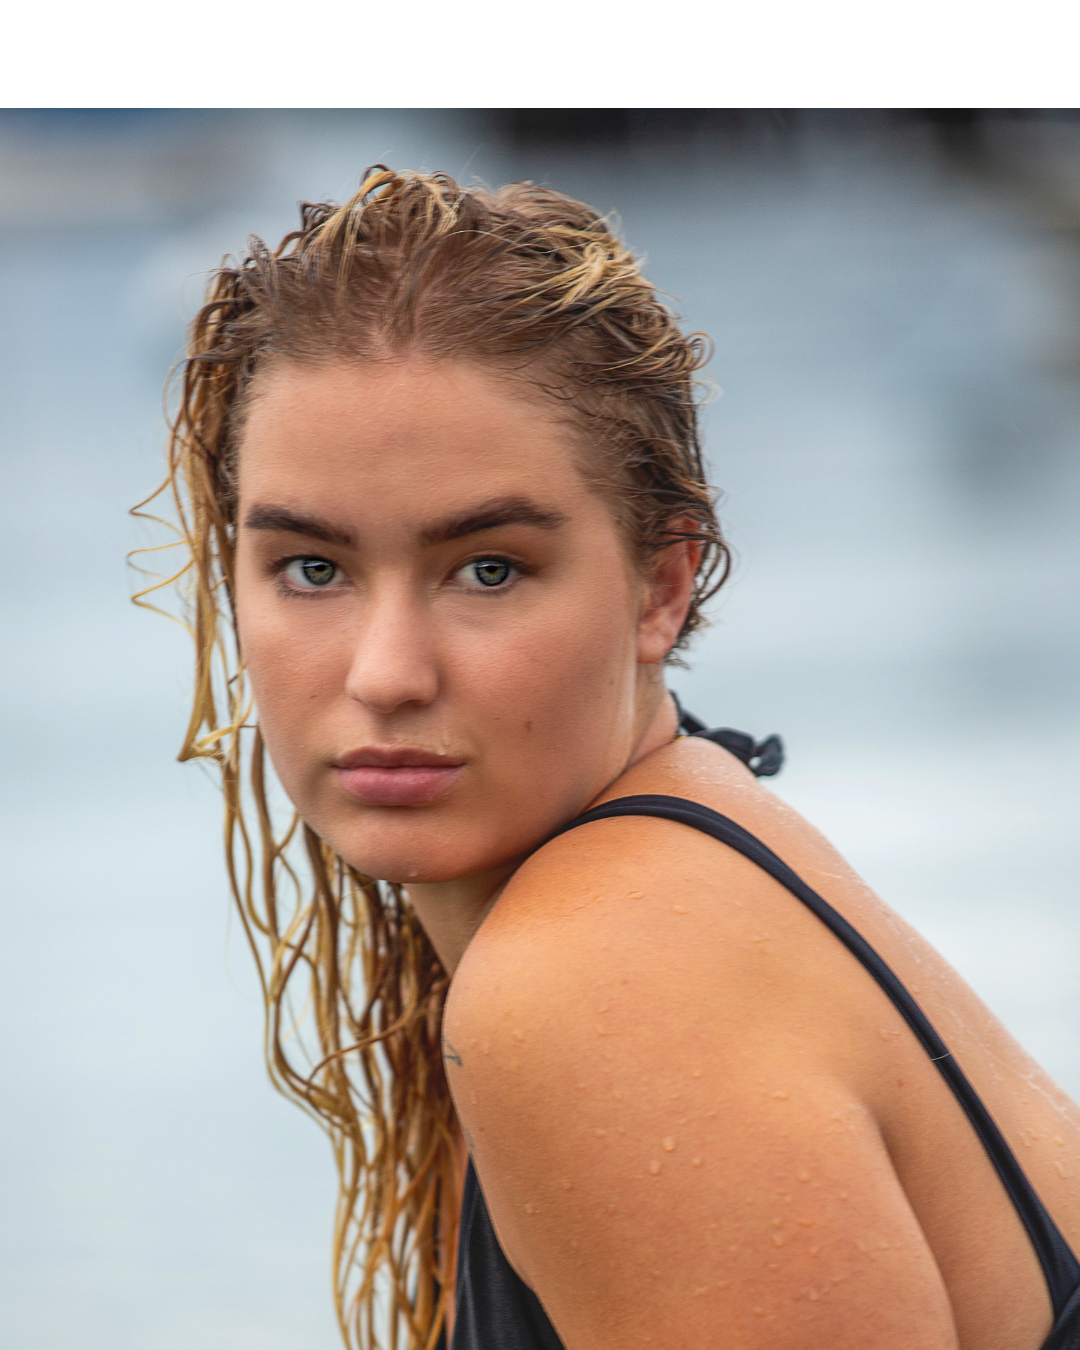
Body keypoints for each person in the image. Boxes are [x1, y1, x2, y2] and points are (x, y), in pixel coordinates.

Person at [148, 166, 1080, 1350]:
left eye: (488, 568)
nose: (386, 673)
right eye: (313, 570)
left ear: (662, 585)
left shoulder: (602, 987)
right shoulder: (696, 863)